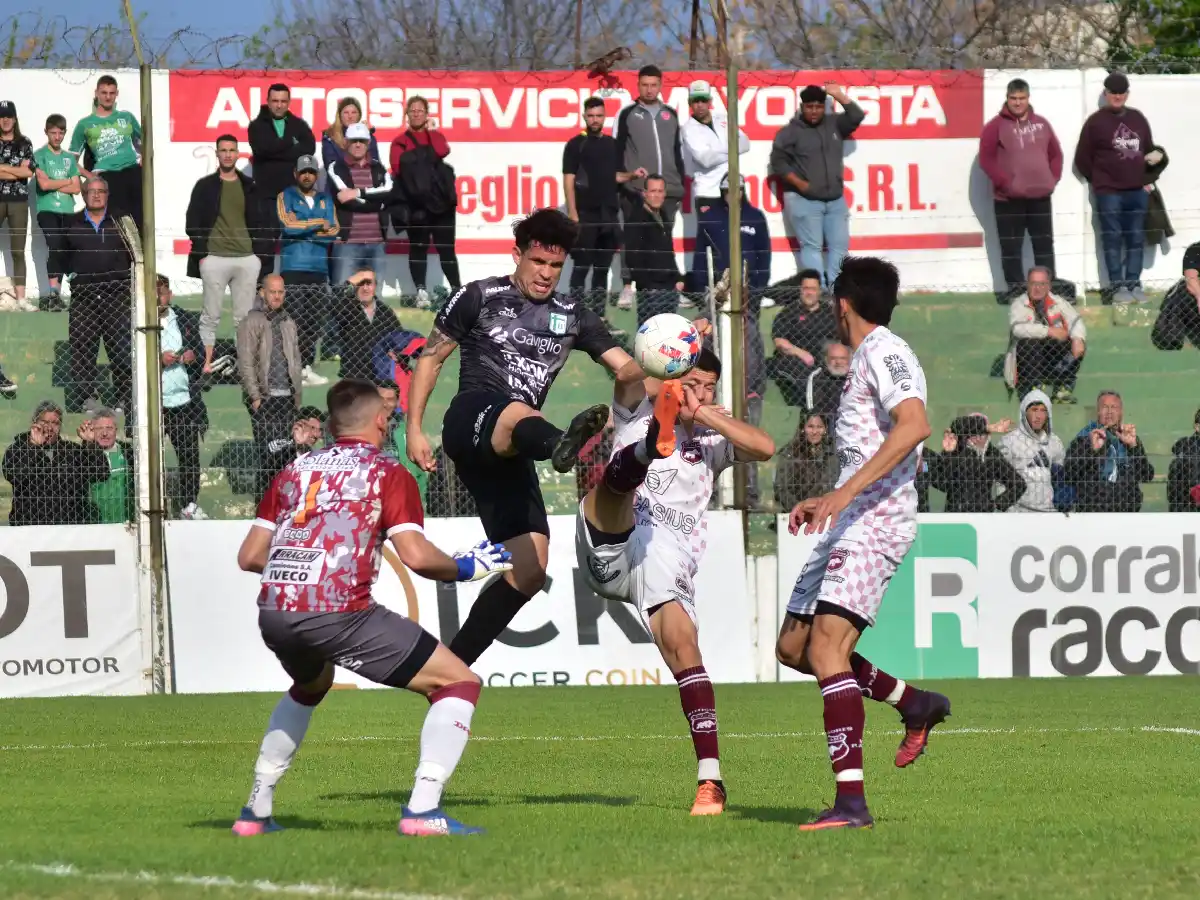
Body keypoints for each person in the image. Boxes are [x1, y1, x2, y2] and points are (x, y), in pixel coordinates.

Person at [231, 378, 513, 837]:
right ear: (382, 421)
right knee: (458, 681)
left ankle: (255, 813)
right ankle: (422, 812)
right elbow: (418, 557)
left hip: (276, 608)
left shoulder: (294, 470)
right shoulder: (388, 473)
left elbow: (250, 557)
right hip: (338, 610)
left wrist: (305, 564)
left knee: (313, 682)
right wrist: (467, 566)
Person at [405, 208, 635, 668]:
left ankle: (450, 667)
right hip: (472, 419)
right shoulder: (479, 295)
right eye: (538, 262)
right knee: (517, 412)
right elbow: (430, 359)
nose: (546, 274)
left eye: (555, 266)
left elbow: (626, 370)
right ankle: (558, 445)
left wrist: (670, 360)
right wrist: (414, 428)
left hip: (514, 449)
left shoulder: (572, 315)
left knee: (530, 570)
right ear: (517, 255)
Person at [775, 256, 949, 831]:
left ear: (841, 304)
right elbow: (873, 444)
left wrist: (843, 494)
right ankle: (912, 702)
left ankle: (851, 804)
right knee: (795, 649)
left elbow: (914, 424)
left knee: (828, 652)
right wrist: (830, 496)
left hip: (876, 520)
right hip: (850, 514)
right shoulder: (866, 359)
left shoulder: (887, 352)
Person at [576, 344, 773, 815]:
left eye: (708, 387)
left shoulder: (710, 443)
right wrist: (667, 370)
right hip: (610, 540)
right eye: (691, 384)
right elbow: (626, 376)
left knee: (685, 649)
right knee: (614, 491)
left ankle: (711, 781)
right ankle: (648, 446)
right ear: (669, 382)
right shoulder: (636, 408)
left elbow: (764, 448)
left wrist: (704, 413)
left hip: (663, 560)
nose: (699, 394)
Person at [186, 134, 268, 373]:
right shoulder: (205, 186)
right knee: (210, 314)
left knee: (243, 317)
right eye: (224, 150)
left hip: (246, 259)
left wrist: (256, 255)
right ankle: (206, 363)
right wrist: (204, 253)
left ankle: (245, 366)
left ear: (238, 153)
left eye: (232, 150)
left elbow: (261, 222)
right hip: (215, 258)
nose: (228, 154)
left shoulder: (249, 186)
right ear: (217, 153)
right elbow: (192, 221)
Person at [769, 85, 864, 288]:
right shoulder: (790, 132)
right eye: (809, 107)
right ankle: (817, 295)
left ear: (825, 107)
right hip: (804, 200)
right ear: (802, 107)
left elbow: (856, 116)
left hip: (835, 200)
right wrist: (801, 184)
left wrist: (838, 95)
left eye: (819, 107)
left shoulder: (835, 124)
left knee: (839, 247)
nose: (814, 111)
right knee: (811, 247)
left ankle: (836, 294)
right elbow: (777, 162)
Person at [1074, 72, 1154, 305]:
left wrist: (1147, 175)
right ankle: (1117, 288)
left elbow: (1148, 149)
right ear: (1105, 93)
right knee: (1111, 239)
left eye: (1121, 92)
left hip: (1137, 191)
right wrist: (1099, 179)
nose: (1117, 96)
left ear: (1127, 94)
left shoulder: (1138, 119)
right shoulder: (1095, 122)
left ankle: (1133, 284)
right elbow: (1082, 158)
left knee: (1136, 239)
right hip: (1108, 192)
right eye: (1113, 92)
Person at [562, 96, 646, 317]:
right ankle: (575, 314)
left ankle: (598, 316)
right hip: (585, 214)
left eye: (599, 116)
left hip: (608, 214)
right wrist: (572, 212)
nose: (595, 120)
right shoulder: (575, 144)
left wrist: (631, 175)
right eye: (590, 116)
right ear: (584, 116)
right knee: (581, 267)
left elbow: (615, 176)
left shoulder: (611, 144)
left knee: (602, 268)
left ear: (604, 116)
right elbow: (569, 179)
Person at [978, 78, 1063, 296]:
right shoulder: (994, 127)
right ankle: (1015, 291)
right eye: (1013, 98)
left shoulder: (1042, 124)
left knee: (1044, 247)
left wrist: (1051, 179)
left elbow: (1056, 154)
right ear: (1007, 99)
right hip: (1008, 200)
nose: (1017, 103)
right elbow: (986, 159)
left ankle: (1046, 291)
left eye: (1021, 98)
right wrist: (1005, 184)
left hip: (1040, 197)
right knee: (1011, 248)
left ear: (1028, 98)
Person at [63, 176, 134, 413]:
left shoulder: (122, 221)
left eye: (101, 191)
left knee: (121, 348)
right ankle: (87, 398)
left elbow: (137, 253)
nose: (96, 195)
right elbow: (61, 255)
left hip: (117, 295)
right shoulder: (72, 222)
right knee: (83, 348)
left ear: (107, 194)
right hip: (84, 296)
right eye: (91, 191)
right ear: (83, 195)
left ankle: (125, 397)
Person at [391, 95, 460, 310]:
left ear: (427, 113)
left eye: (420, 110)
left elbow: (443, 150)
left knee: (446, 248)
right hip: (416, 204)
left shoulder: (435, 136)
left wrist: (431, 132)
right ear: (406, 115)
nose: (416, 114)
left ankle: (457, 290)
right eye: (412, 111)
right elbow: (396, 167)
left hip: (441, 205)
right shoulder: (399, 141)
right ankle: (421, 290)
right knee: (418, 248)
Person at [237, 274, 304, 496]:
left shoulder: (288, 322)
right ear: (262, 292)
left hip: (287, 398)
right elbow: (245, 363)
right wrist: (255, 397)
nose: (277, 296)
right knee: (268, 455)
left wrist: (297, 397)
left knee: (287, 454)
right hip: (264, 399)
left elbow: (295, 359)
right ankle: (264, 505)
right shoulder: (251, 322)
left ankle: (283, 503)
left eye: (280, 291)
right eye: (272, 291)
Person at [277, 155, 339, 388]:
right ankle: (290, 368)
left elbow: (333, 229)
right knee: (293, 321)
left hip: (318, 268)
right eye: (303, 172)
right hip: (293, 268)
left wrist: (303, 225)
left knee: (314, 323)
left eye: (311, 172)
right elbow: (287, 226)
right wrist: (316, 224)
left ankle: (305, 367)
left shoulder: (325, 199)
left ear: (317, 175)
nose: (307, 176)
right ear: (296, 173)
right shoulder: (286, 196)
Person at [2, 401, 110, 526]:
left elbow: (101, 473)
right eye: (45, 422)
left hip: (69, 527)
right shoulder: (18, 449)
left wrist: (91, 445)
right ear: (34, 423)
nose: (50, 427)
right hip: (30, 526)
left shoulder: (71, 451)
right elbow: (14, 475)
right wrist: (33, 447)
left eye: (55, 423)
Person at [248, 83, 317, 278]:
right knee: (264, 249)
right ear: (268, 102)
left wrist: (274, 150)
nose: (279, 105)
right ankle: (261, 296)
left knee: (296, 247)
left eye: (283, 101)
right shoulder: (256, 126)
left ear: (289, 102)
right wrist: (290, 144)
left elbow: (309, 148)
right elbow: (262, 149)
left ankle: (294, 293)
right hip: (266, 198)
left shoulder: (299, 124)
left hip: (293, 196)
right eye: (275, 101)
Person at [159, 274, 212, 519]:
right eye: (155, 292)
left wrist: (192, 356)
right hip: (155, 404)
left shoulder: (184, 320)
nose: (160, 297)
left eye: (163, 291)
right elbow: (125, 359)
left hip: (183, 402)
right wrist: (158, 360)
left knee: (189, 456)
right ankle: (150, 506)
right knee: (149, 458)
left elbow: (201, 354)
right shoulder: (135, 320)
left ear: (169, 294)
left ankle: (189, 504)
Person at [70, 76, 143, 232]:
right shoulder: (85, 124)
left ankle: (141, 256)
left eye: (111, 93)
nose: (108, 97)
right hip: (107, 175)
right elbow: (70, 160)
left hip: (132, 171)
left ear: (117, 94)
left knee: (140, 221)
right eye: (104, 93)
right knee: (114, 224)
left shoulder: (126, 117)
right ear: (96, 93)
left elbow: (146, 142)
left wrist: (145, 159)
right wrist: (89, 175)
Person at [31, 113, 81, 311]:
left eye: (61, 133)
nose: (57, 137)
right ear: (46, 132)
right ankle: (52, 294)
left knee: (66, 250)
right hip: (47, 210)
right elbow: (42, 185)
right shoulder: (39, 155)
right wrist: (66, 181)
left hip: (68, 211)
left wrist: (55, 182)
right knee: (56, 245)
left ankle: (57, 295)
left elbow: (77, 188)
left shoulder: (69, 158)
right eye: (53, 133)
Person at [999, 389, 1067, 513]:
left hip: (1049, 513)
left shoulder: (1055, 442)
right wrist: (1007, 513)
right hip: (1019, 513)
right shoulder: (1009, 442)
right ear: (1025, 412)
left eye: (1043, 410)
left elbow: (1060, 481)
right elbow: (1000, 483)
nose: (1039, 416)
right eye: (1034, 410)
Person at [0, 100, 35, 311]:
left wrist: (3, 169)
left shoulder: (24, 142)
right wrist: (16, 170)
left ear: (15, 118)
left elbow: (29, 172)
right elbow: (21, 171)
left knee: (18, 250)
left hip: (19, 201)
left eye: (9, 116)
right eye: (2, 116)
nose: (5, 120)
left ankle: (21, 298)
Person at [320, 97, 381, 170]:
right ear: (340, 115)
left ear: (359, 115)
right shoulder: (330, 137)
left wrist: (367, 134)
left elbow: (374, 162)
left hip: (365, 178)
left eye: (354, 112)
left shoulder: (367, 136)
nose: (350, 116)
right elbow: (331, 166)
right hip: (339, 179)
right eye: (346, 112)